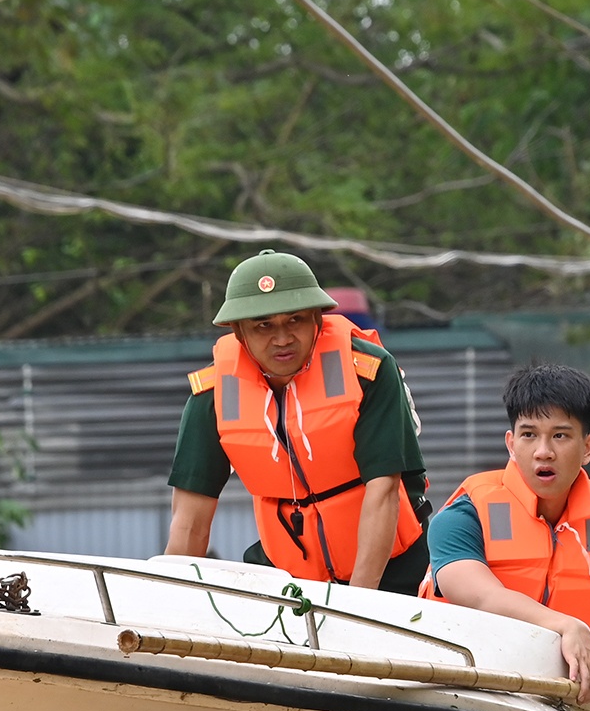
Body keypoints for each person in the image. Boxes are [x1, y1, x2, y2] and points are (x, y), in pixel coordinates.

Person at [423, 364, 590, 711]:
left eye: (560, 436)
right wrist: (564, 625)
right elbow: (480, 594)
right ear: (511, 444)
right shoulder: (462, 518)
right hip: (460, 699)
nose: (543, 451)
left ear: (588, 447)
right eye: (529, 435)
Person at [165, 250, 430, 592]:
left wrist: (359, 606)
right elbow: (190, 522)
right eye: (263, 325)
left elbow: (384, 490)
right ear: (238, 331)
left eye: (295, 320)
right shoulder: (213, 395)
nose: (282, 338)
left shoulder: (367, 370)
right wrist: (168, 600)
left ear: (318, 320)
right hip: (287, 577)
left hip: (392, 568)